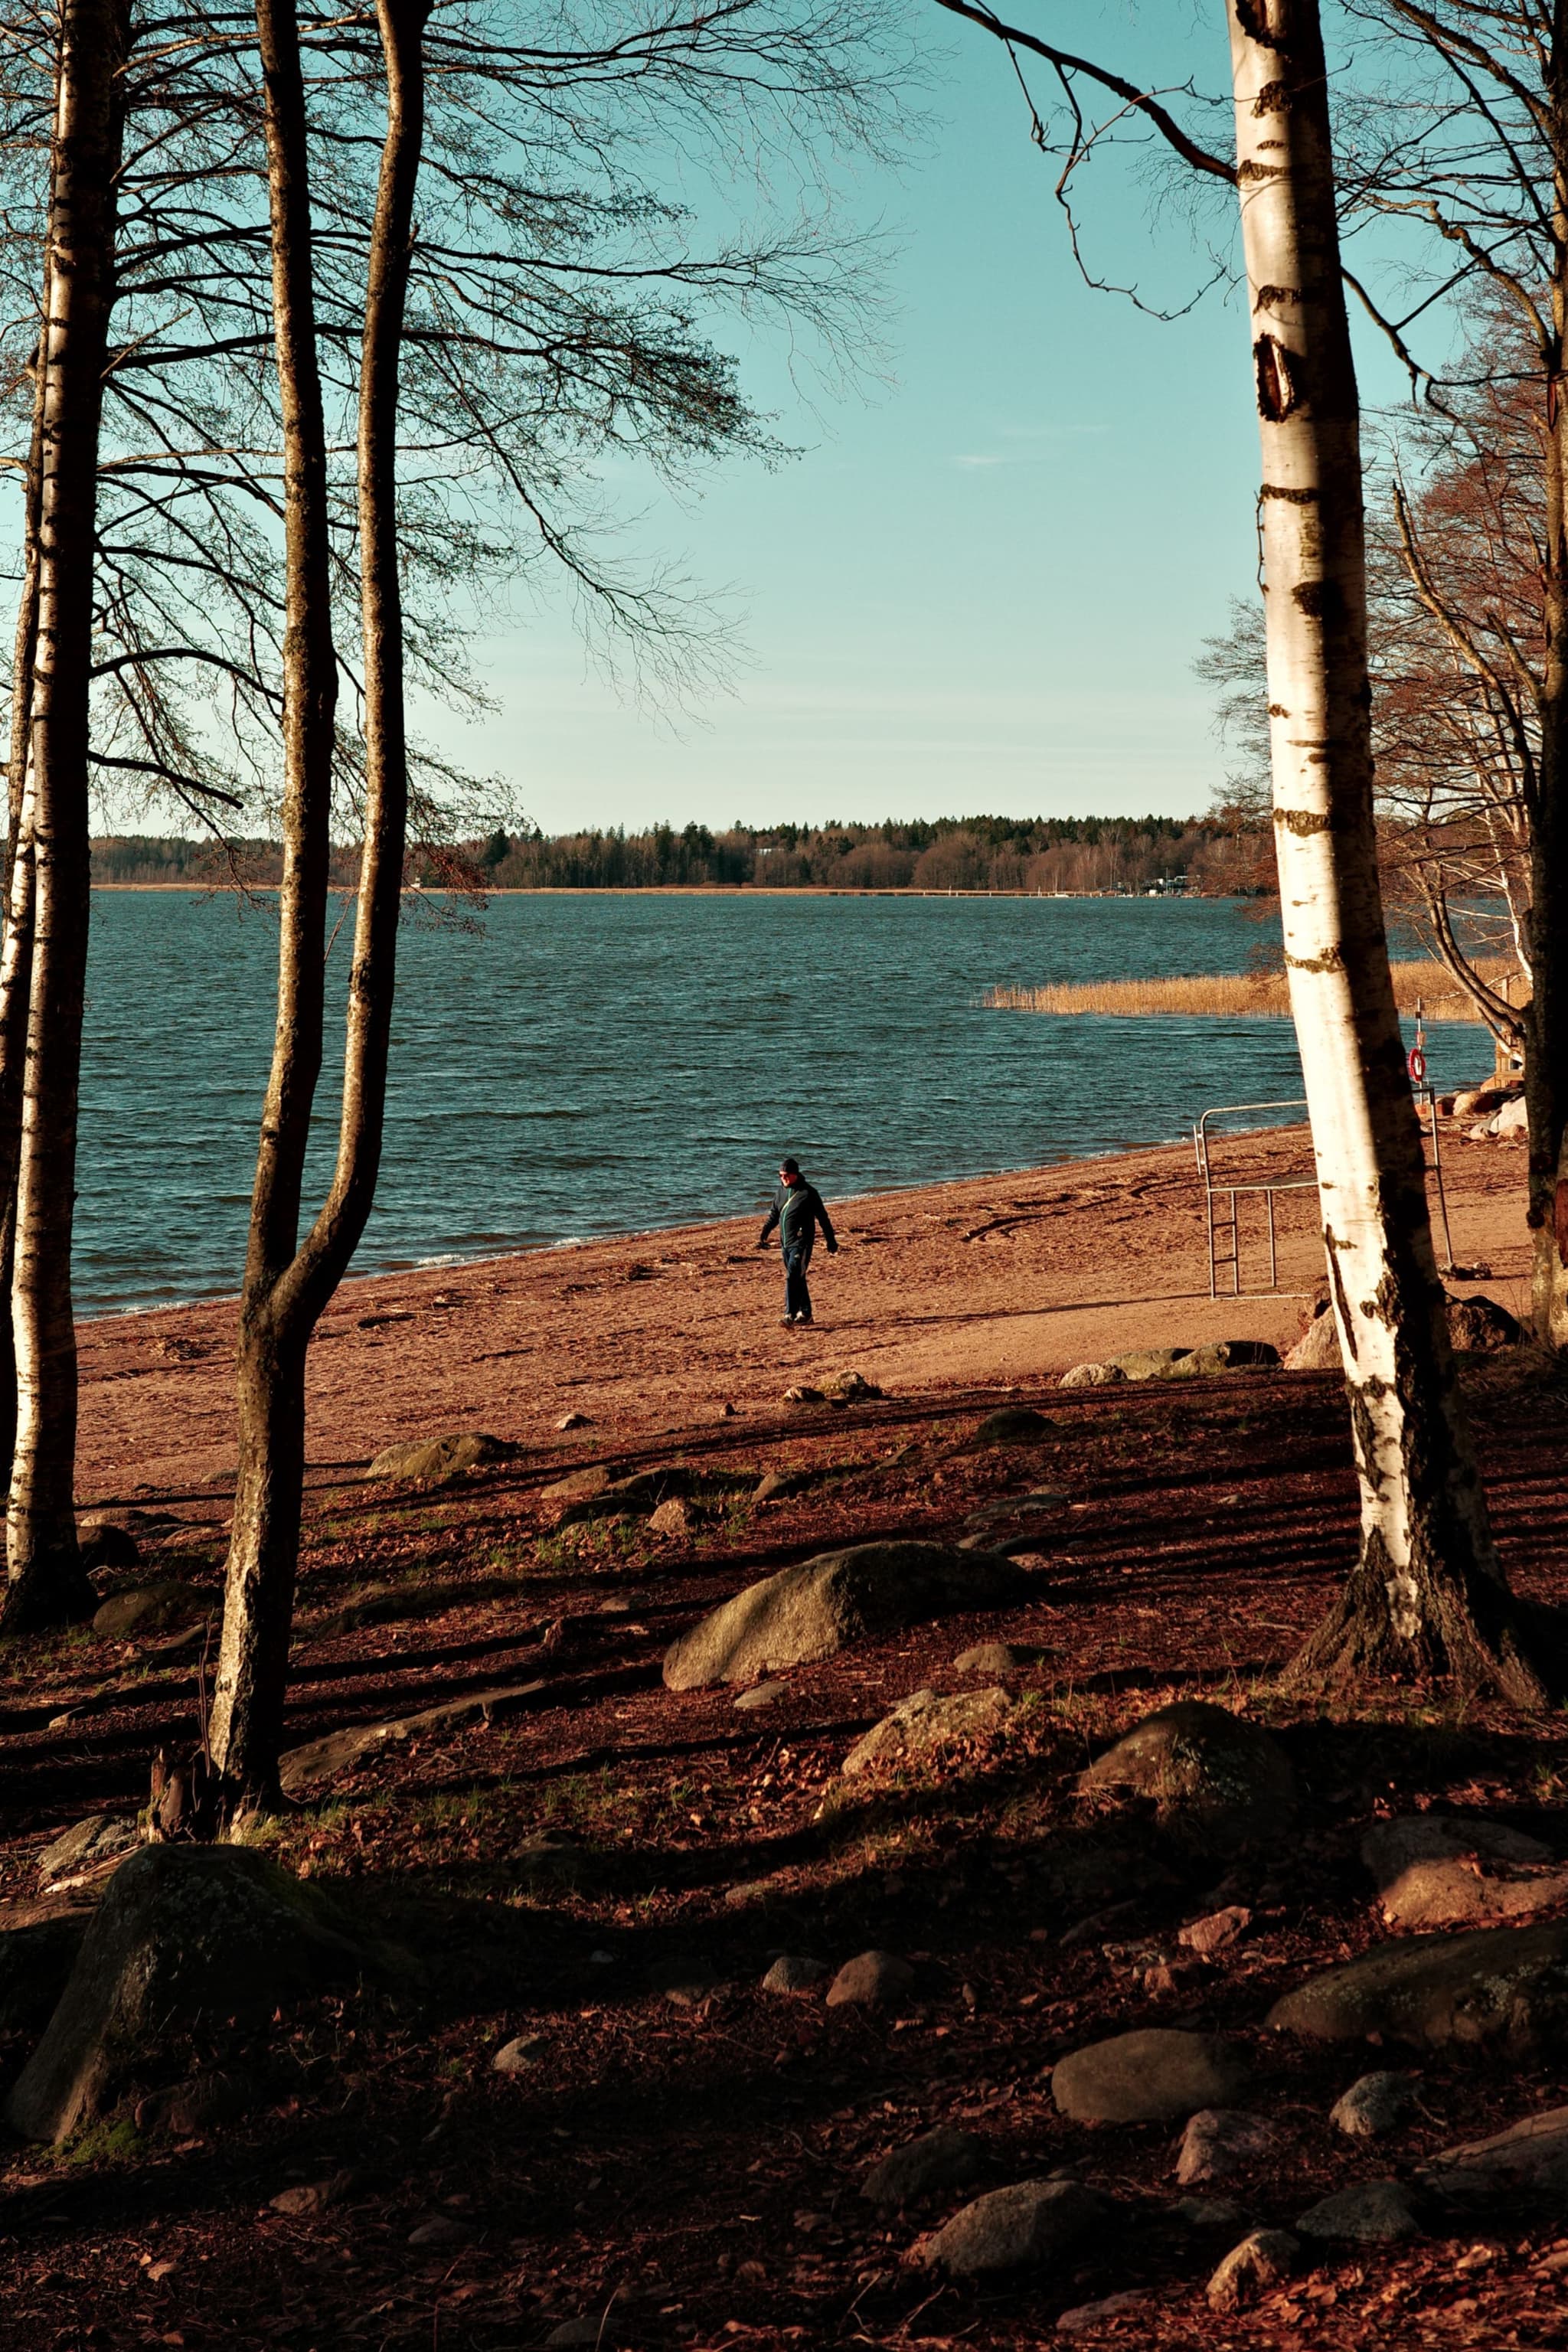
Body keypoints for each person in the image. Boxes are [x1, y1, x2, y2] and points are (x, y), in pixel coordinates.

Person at [757, 1155, 837, 1326]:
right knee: (798, 1278)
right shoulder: (780, 1193)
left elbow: (823, 1218)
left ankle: (789, 1315)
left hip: (802, 1244)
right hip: (785, 1244)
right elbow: (774, 1215)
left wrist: (831, 1241)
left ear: (795, 1174)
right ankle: (806, 1314)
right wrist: (764, 1233)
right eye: (780, 1175)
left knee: (792, 1276)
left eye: (786, 1175)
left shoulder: (808, 1193)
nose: (783, 1178)